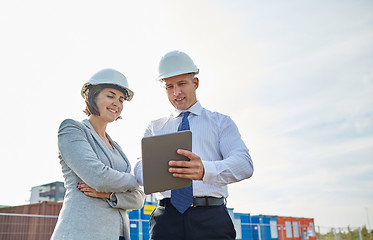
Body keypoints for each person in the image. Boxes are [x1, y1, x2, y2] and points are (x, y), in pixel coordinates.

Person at [134, 50, 254, 240]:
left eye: (182, 84)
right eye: (169, 87)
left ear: (195, 83)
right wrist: (157, 172)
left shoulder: (221, 122)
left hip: (210, 219)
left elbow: (244, 164)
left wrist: (205, 170)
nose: (176, 92)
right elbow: (139, 168)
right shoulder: (155, 127)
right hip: (166, 219)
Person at [52, 68, 145, 240]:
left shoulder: (117, 148)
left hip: (119, 234)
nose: (117, 103)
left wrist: (109, 195)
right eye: (110, 96)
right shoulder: (72, 129)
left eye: (121, 99)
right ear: (93, 97)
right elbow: (98, 177)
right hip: (82, 232)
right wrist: (136, 181)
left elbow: (139, 199)